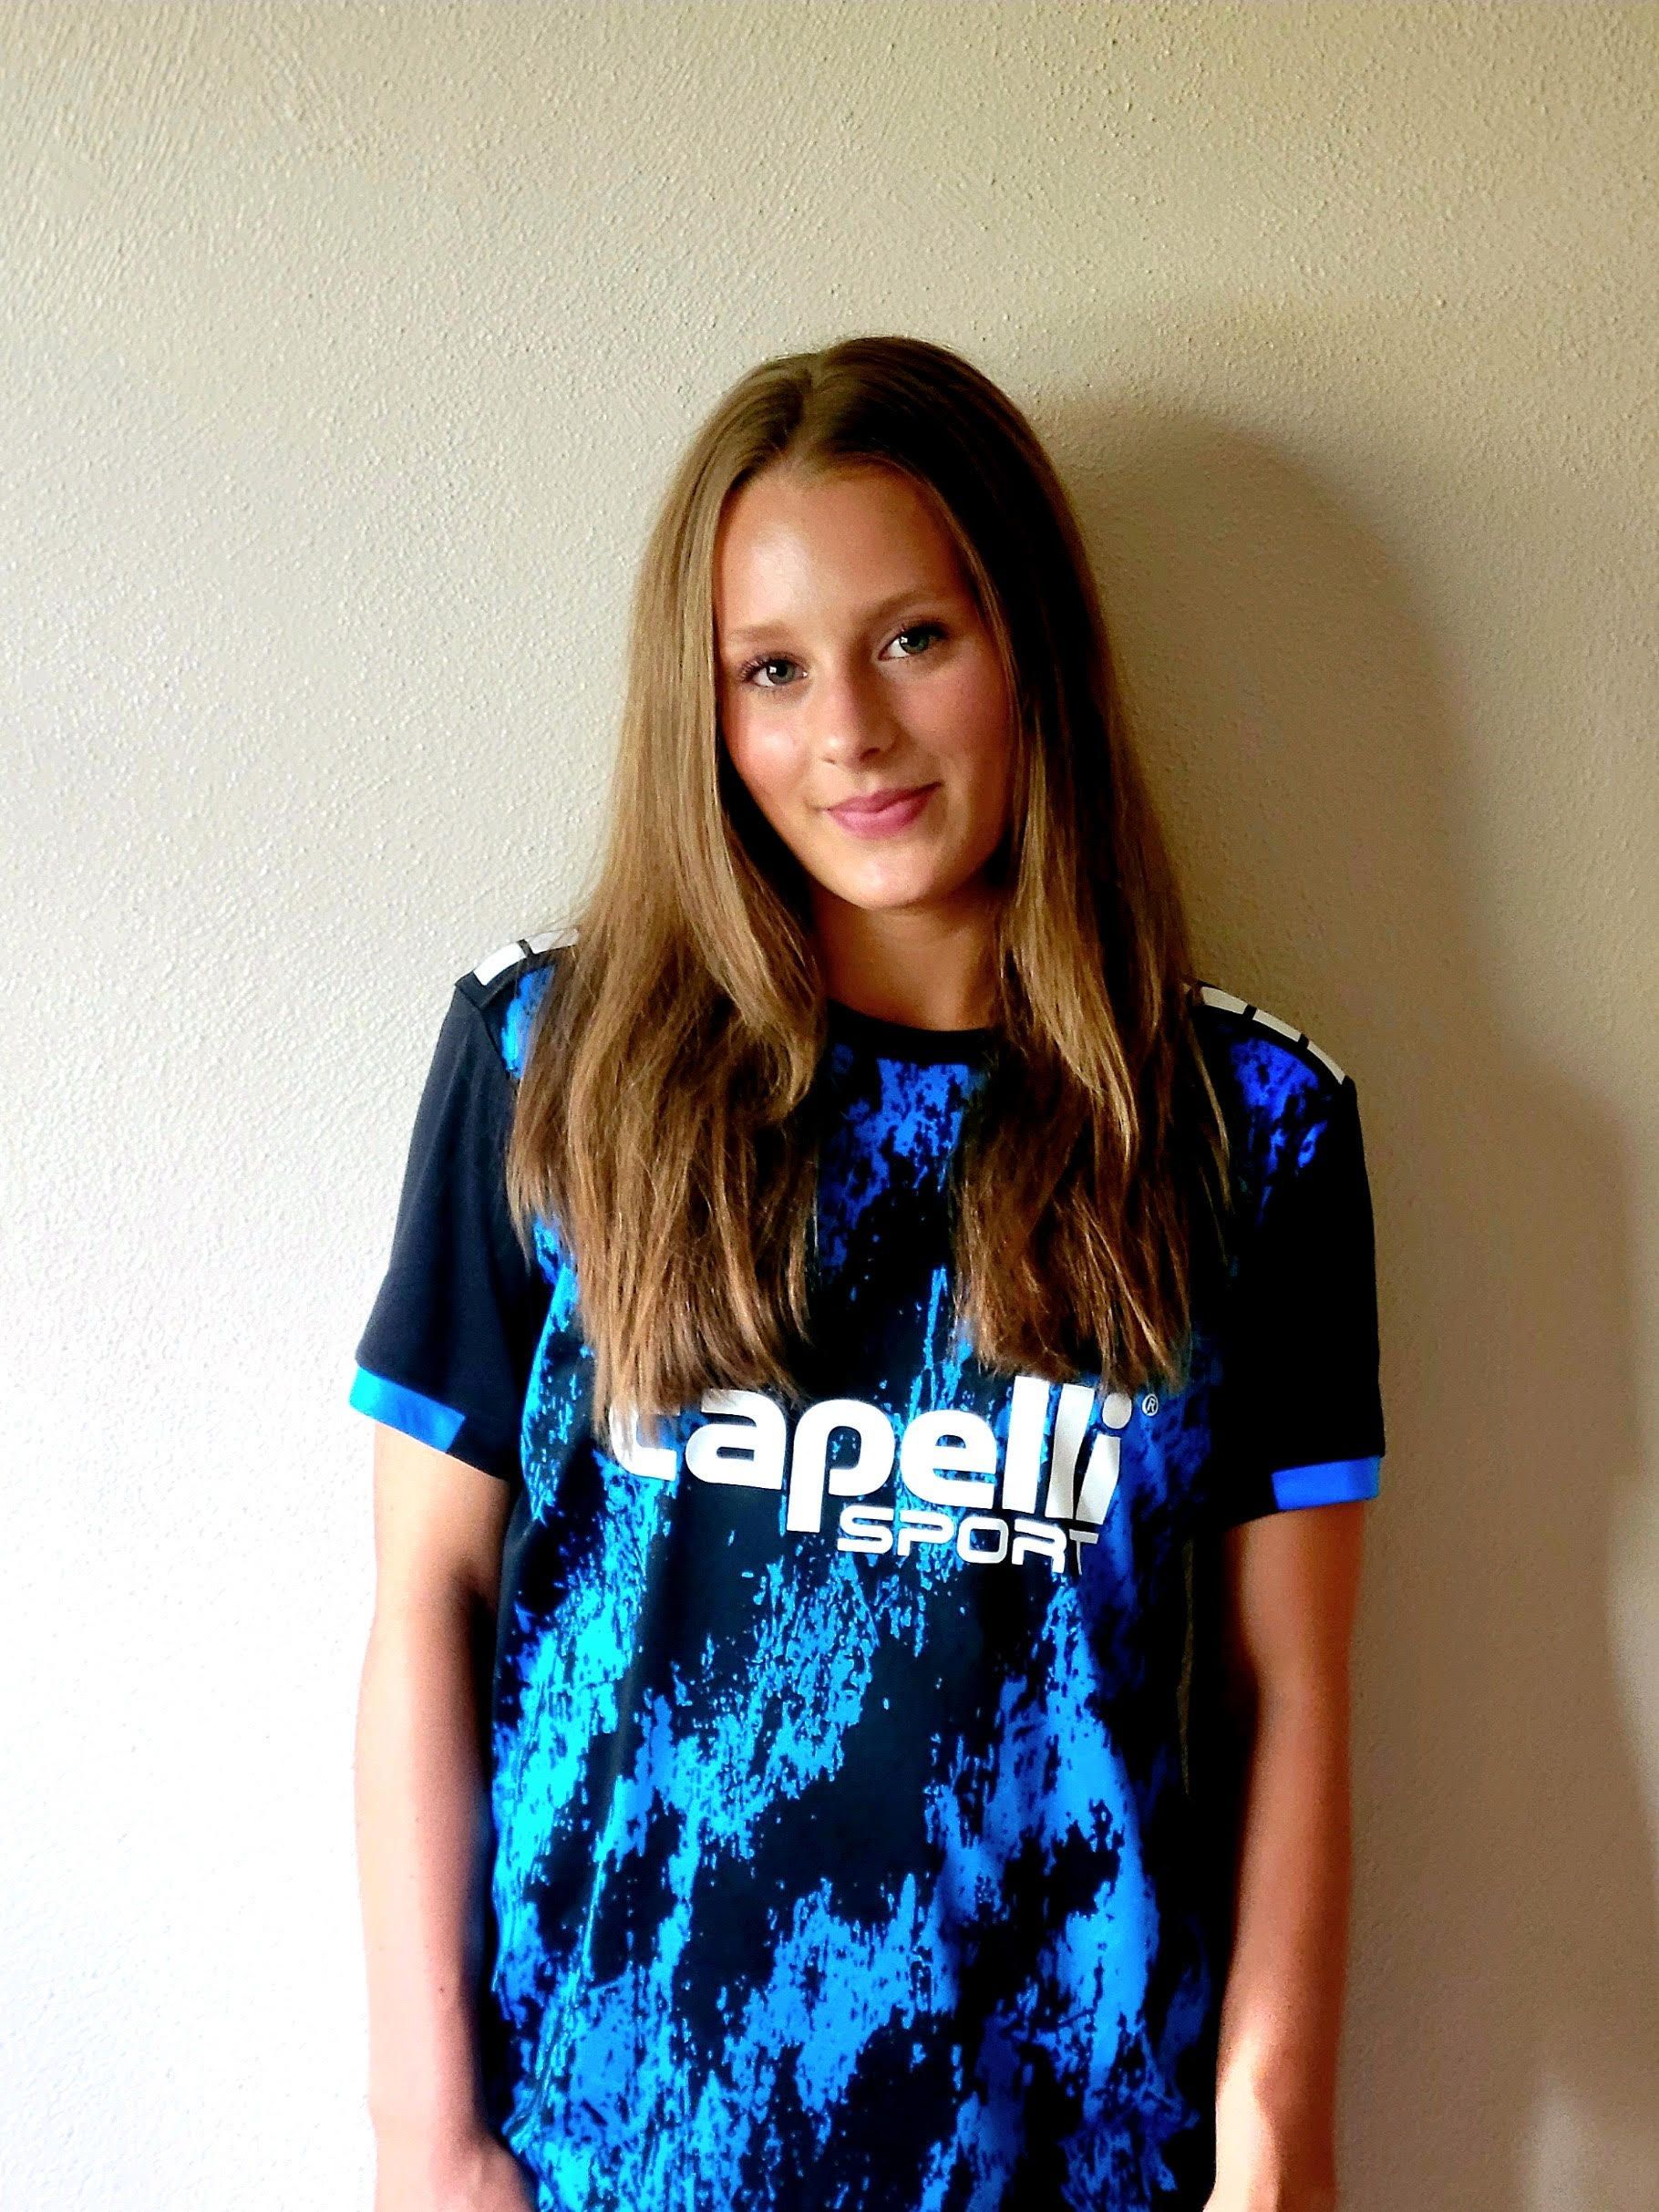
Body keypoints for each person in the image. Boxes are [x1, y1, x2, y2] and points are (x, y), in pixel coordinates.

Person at [349, 334, 1386, 2212]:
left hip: (1074, 2157)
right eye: (771, 669)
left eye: (914, 637)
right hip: (615, 2154)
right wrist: (427, 2138)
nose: (849, 730)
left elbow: (1288, 1688)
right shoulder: (547, 1065)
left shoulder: (1253, 1131)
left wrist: (1273, 2150)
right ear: (711, 711)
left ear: (1030, 648)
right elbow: (426, 1594)